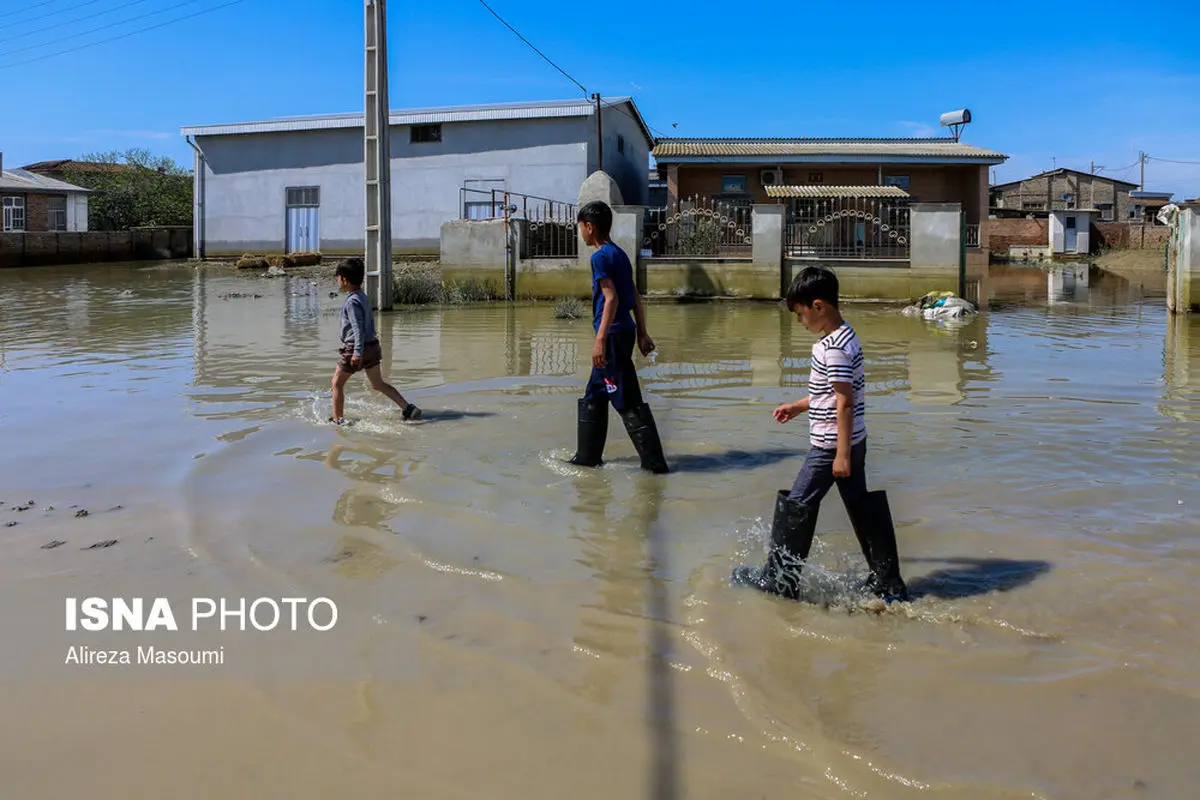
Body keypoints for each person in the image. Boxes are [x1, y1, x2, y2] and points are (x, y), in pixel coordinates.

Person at [731, 266, 908, 602]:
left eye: (801, 315)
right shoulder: (846, 335)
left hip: (830, 447)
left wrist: (839, 454)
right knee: (859, 505)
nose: (801, 323)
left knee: (797, 503)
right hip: (854, 440)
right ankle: (888, 583)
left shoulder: (832, 348)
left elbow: (844, 402)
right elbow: (830, 394)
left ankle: (779, 580)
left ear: (818, 306)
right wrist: (799, 405)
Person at [569, 200, 668, 474]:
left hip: (611, 336)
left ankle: (656, 467)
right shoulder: (619, 254)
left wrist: (599, 340)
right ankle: (587, 460)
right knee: (595, 395)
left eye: (581, 227)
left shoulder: (599, 257)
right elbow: (634, 295)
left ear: (589, 227)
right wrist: (642, 331)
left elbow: (611, 299)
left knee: (627, 399)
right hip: (622, 332)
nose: (581, 233)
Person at [329, 257, 421, 425]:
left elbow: (357, 329)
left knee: (336, 383)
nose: (337, 281)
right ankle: (408, 408)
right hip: (372, 347)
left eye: (338, 277)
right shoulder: (362, 296)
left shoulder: (351, 301)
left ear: (344, 279)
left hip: (356, 349)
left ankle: (337, 420)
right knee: (378, 384)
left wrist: (357, 353)